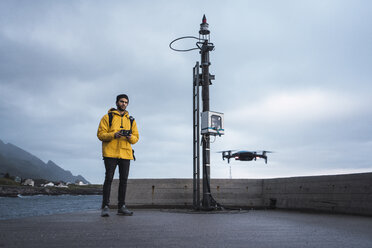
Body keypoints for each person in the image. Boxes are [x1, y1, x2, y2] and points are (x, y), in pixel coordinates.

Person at [97, 94, 139, 217]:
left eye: (126, 102)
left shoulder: (131, 120)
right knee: (108, 180)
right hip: (110, 153)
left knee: (123, 181)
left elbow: (136, 138)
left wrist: (130, 137)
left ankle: (122, 206)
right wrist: (114, 135)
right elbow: (100, 134)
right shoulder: (107, 117)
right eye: (122, 101)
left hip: (125, 154)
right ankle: (105, 206)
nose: (124, 104)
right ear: (116, 102)